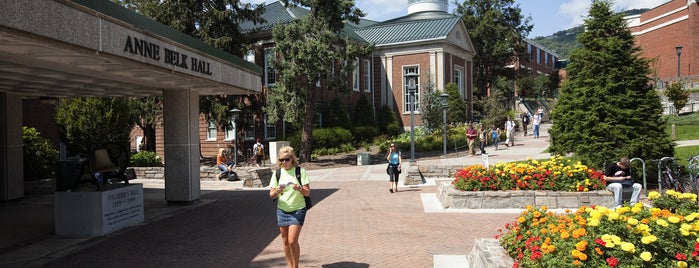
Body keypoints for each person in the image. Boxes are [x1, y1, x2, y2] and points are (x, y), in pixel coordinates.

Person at [268, 146, 311, 268]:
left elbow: (307, 193)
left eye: (286, 159)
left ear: (292, 159)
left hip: (298, 209)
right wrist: (276, 190)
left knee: (292, 241)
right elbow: (271, 196)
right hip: (282, 210)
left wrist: (300, 188)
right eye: (281, 160)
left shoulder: (300, 172)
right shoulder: (277, 173)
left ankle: (295, 266)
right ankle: (290, 265)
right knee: (286, 241)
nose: (284, 162)